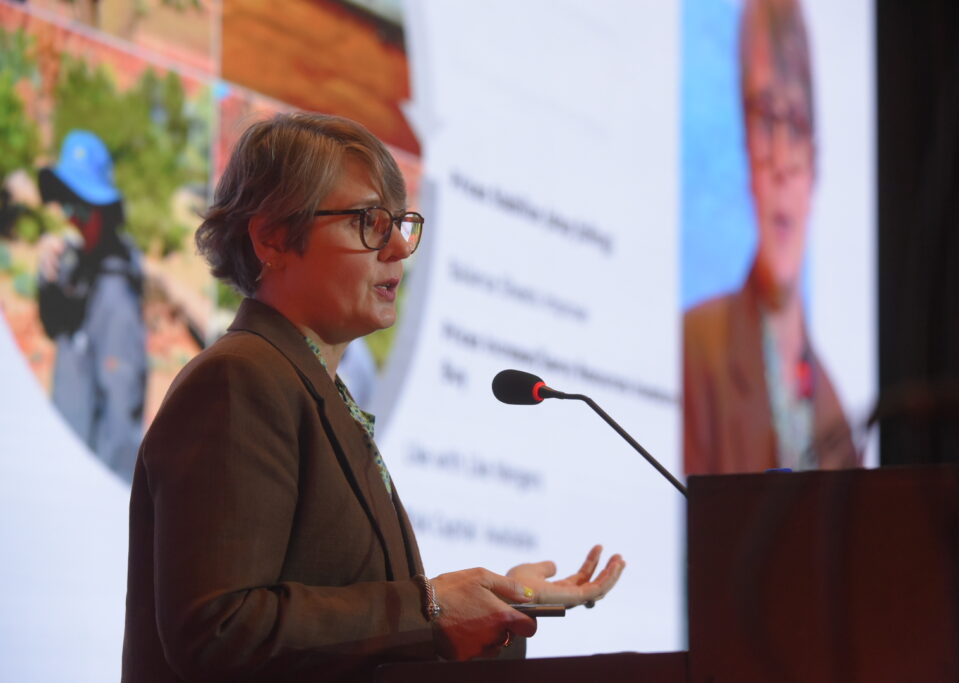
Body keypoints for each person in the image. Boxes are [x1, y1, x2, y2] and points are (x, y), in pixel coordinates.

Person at [122, 112, 625, 682]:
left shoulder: (313, 387)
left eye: (400, 222)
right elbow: (220, 630)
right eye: (367, 220)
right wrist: (430, 607)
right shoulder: (241, 380)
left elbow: (361, 644)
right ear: (272, 237)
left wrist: (502, 603)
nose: (398, 248)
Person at [683, 0, 859, 476]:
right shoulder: (695, 353)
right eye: (765, 121)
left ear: (816, 166)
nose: (781, 161)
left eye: (796, 127)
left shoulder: (837, 416)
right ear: (743, 144)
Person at [36, 130, 146, 483]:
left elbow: (120, 423)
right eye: (66, 205)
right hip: (61, 464)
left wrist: (103, 505)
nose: (71, 218)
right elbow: (54, 325)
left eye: (81, 207)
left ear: (106, 211)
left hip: (85, 487)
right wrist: (46, 279)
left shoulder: (116, 297)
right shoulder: (81, 267)